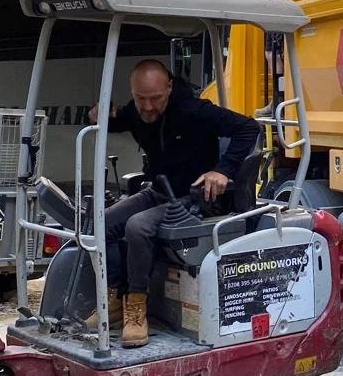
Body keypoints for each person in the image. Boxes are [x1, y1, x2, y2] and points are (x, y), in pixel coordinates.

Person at [88, 59, 262, 347]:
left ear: (169, 88)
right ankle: (114, 295)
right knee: (103, 221)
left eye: (155, 99)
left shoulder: (193, 110)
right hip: (159, 191)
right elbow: (120, 119)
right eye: (140, 99)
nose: (147, 107)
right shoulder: (137, 111)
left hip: (193, 199)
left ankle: (136, 305)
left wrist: (222, 170)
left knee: (137, 226)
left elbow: (248, 127)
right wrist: (96, 114)